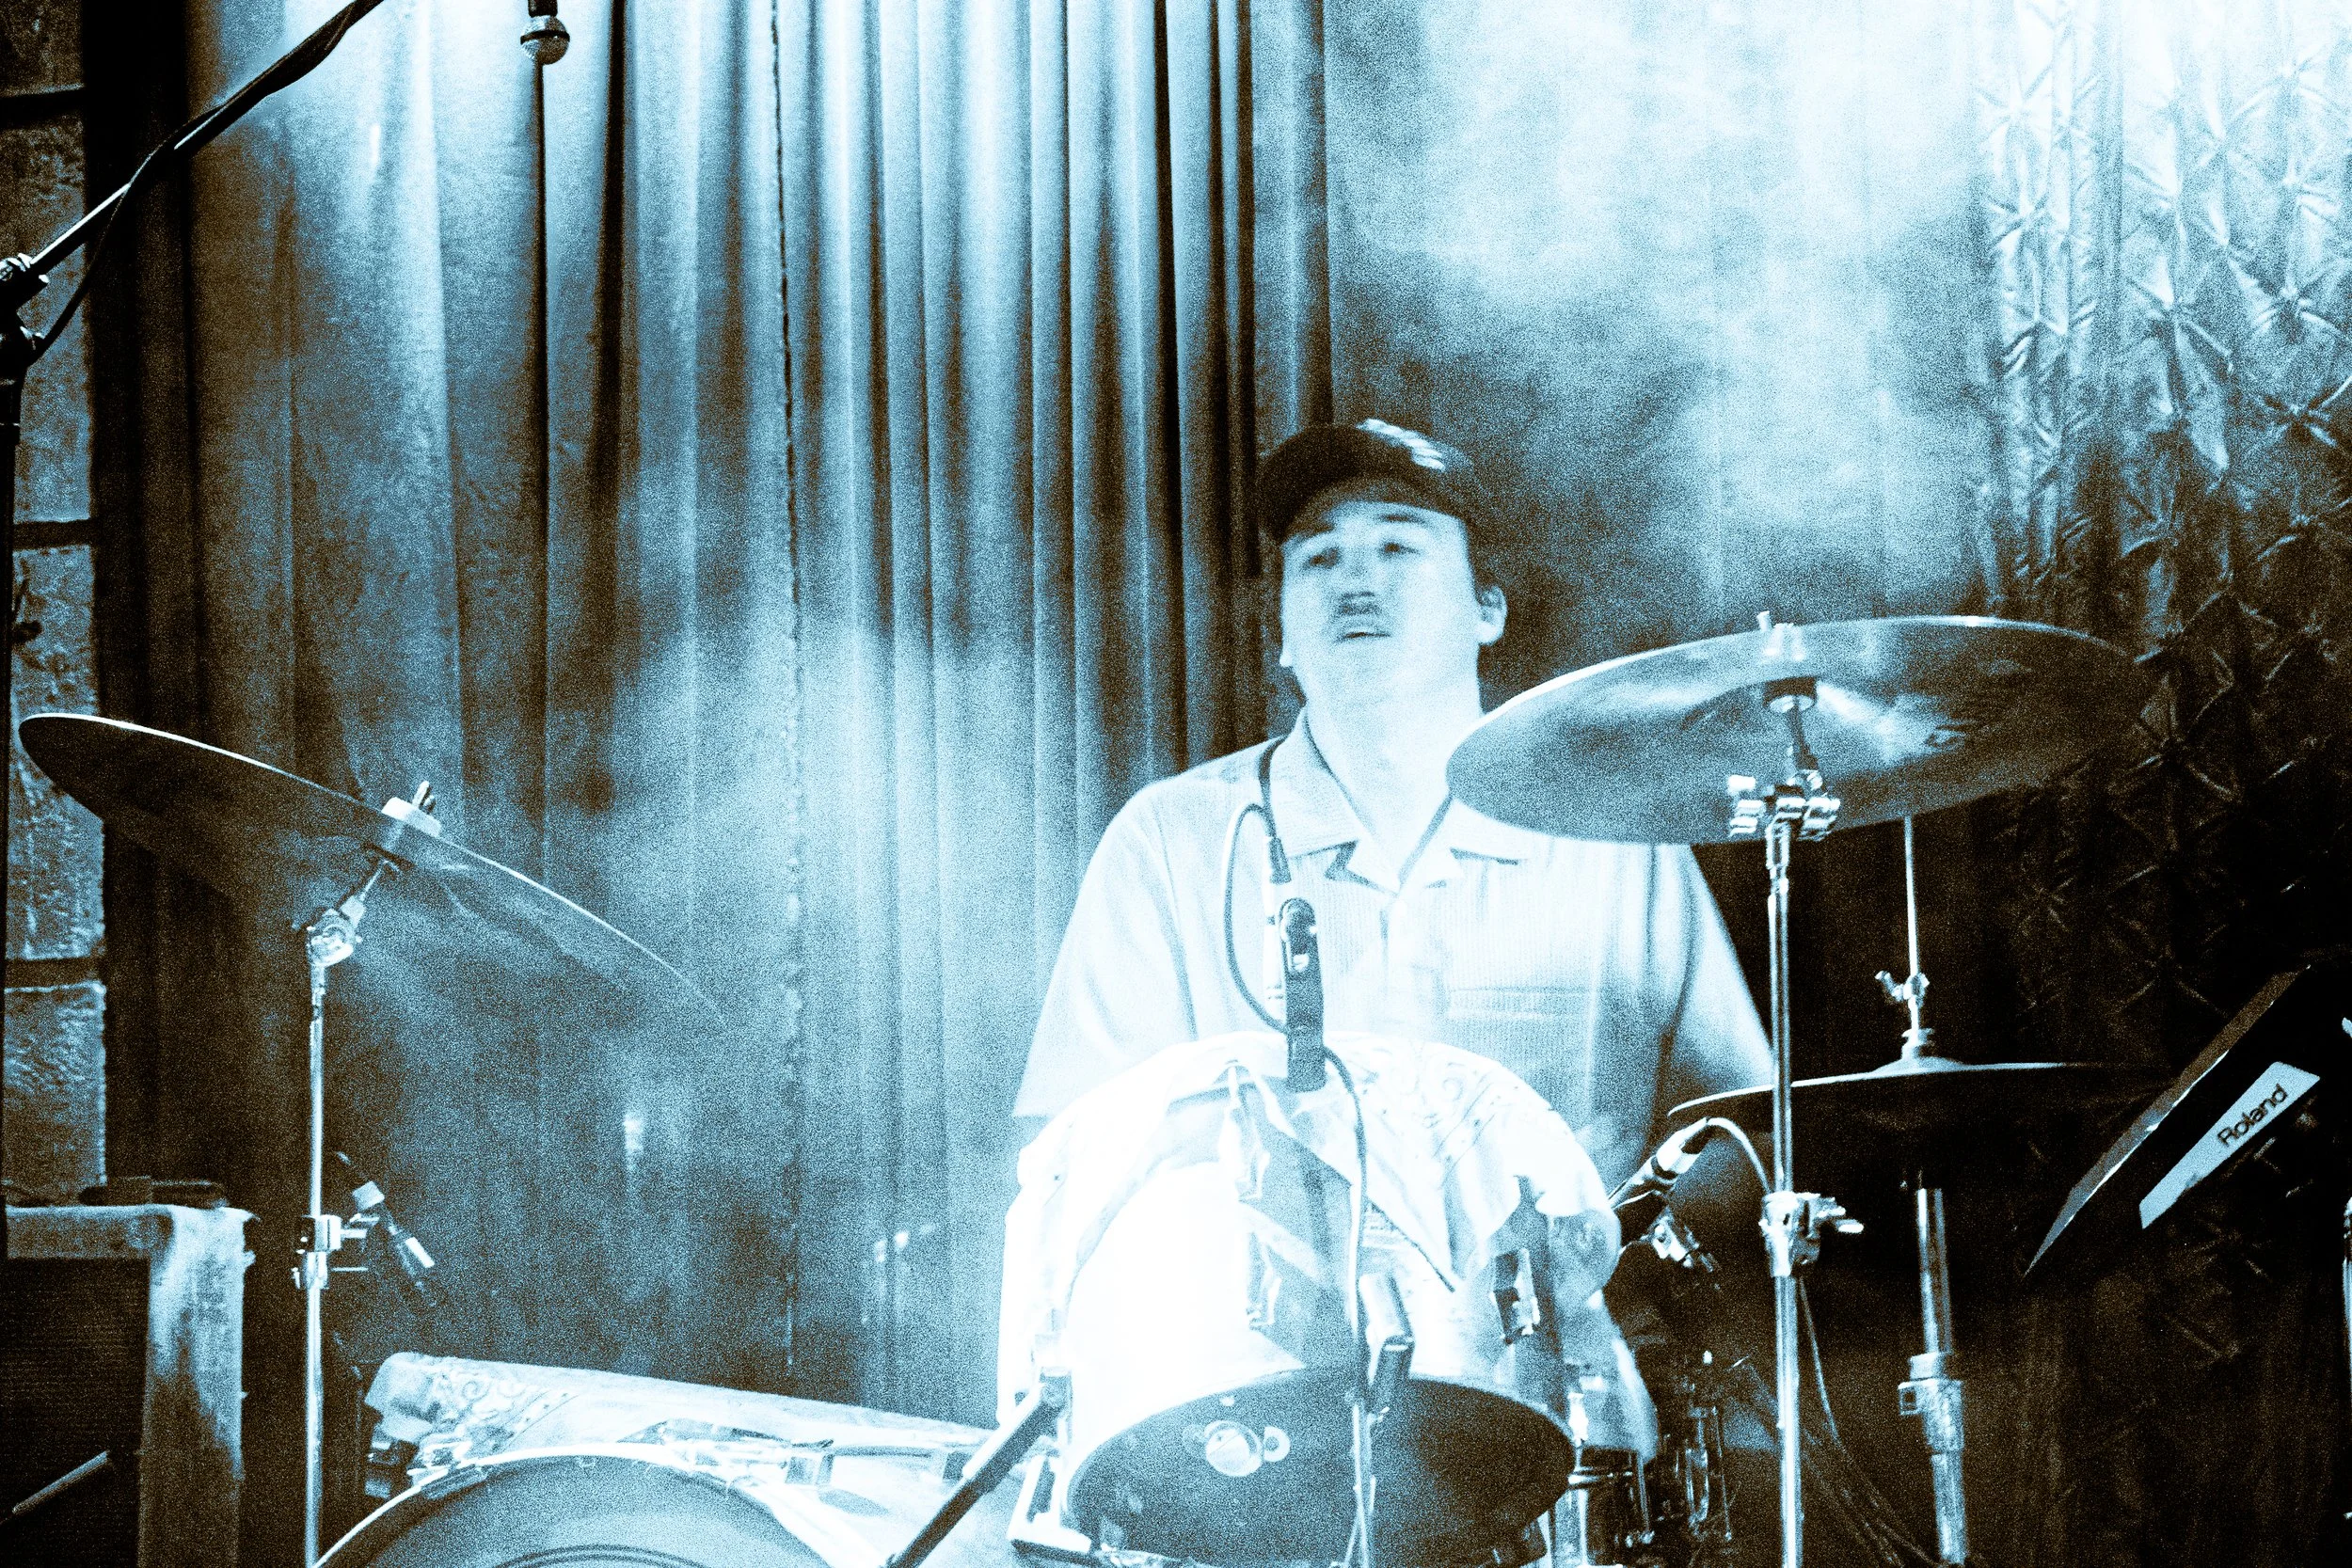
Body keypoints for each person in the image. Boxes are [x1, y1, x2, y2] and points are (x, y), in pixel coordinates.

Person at [1012, 418, 1770, 1192]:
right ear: (1280, 634)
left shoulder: (1612, 833)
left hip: (1570, 1308)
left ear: (1488, 611)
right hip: (1267, 1310)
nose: (1355, 580)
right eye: (1319, 556)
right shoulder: (1172, 838)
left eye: (1399, 546)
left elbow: (1737, 1135)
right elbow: (1079, 1149)